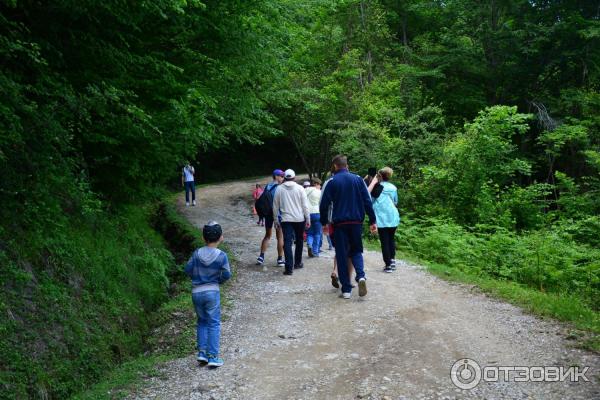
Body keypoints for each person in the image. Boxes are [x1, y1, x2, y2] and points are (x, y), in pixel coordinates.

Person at [320, 155, 377, 299]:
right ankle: (361, 276)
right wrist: (372, 221)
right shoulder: (358, 179)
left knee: (341, 254)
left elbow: (323, 204)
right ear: (347, 165)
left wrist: (324, 223)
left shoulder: (331, 181)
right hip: (356, 223)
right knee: (356, 251)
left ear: (335, 166)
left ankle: (346, 290)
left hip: (339, 224)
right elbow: (367, 201)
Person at [184, 221, 231, 368]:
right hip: (212, 292)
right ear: (221, 237)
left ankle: (202, 353)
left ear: (204, 238)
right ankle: (213, 356)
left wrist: (196, 278)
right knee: (214, 323)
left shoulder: (196, 253)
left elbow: (187, 269)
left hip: (197, 292)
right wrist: (218, 280)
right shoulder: (221, 256)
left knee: (202, 321)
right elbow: (227, 274)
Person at [273, 169, 310, 275]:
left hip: (286, 220)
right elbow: (305, 206)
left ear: (285, 177)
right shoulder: (300, 188)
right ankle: (298, 263)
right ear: (294, 177)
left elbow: (275, 206)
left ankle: (289, 268)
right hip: (299, 219)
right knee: (299, 241)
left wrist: (276, 220)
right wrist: (308, 219)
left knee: (287, 243)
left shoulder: (279, 189)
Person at [368, 167, 400, 272]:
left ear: (380, 176)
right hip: (393, 217)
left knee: (384, 241)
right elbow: (395, 202)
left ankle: (388, 265)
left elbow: (370, 201)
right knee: (391, 239)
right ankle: (393, 261)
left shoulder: (377, 187)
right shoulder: (393, 187)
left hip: (382, 218)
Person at [256, 170, 285, 269]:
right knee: (280, 237)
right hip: (278, 215)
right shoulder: (280, 188)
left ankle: (261, 257)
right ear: (276, 176)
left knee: (267, 235)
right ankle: (280, 259)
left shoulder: (268, 186)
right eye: (281, 176)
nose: (282, 178)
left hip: (268, 214)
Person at [305, 178, 322, 257]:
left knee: (309, 232)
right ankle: (315, 251)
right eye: (319, 185)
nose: (320, 186)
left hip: (307, 214)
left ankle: (309, 244)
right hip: (317, 213)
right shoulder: (319, 192)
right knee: (317, 233)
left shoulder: (305, 190)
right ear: (316, 184)